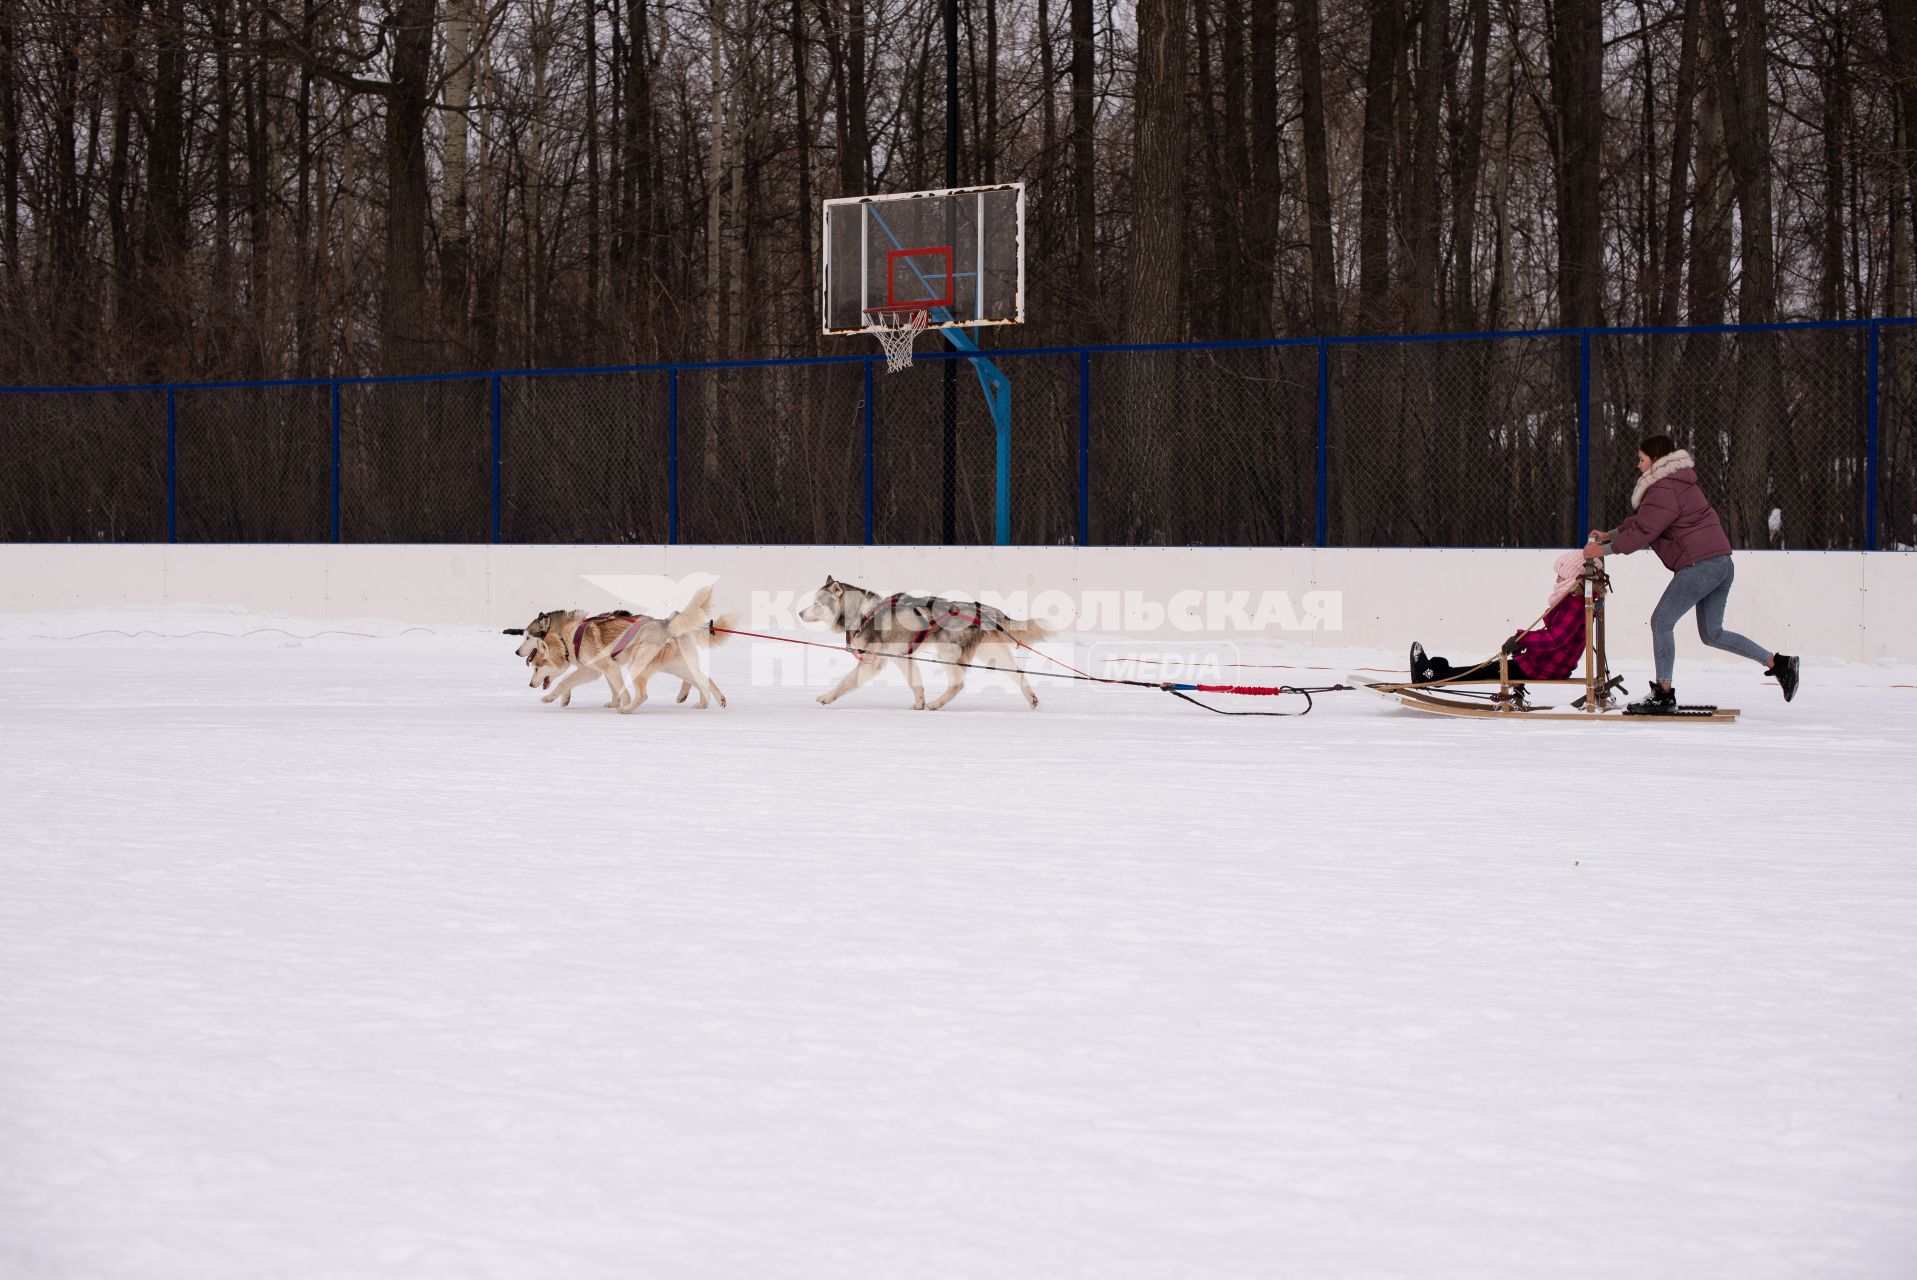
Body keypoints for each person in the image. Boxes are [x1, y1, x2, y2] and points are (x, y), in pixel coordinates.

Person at [1583, 434, 1798, 714]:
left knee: (1661, 621)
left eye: (1641, 459)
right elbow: (1644, 521)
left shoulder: (1663, 488)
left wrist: (1604, 551)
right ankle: (1779, 663)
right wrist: (1610, 535)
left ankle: (1663, 693)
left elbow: (1646, 532)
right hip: (1720, 562)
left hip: (1701, 565)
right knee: (1712, 633)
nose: (1638, 466)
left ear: (1656, 460)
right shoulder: (1677, 482)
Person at [1410, 550, 1589, 685]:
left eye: (1561, 575)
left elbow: (1555, 638)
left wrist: (1522, 639)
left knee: (1484, 671)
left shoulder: (1574, 604)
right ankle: (1438, 672)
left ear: (1572, 578)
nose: (1557, 580)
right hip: (1542, 662)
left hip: (1544, 667)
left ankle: (1431, 676)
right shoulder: (1573, 601)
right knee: (1486, 669)